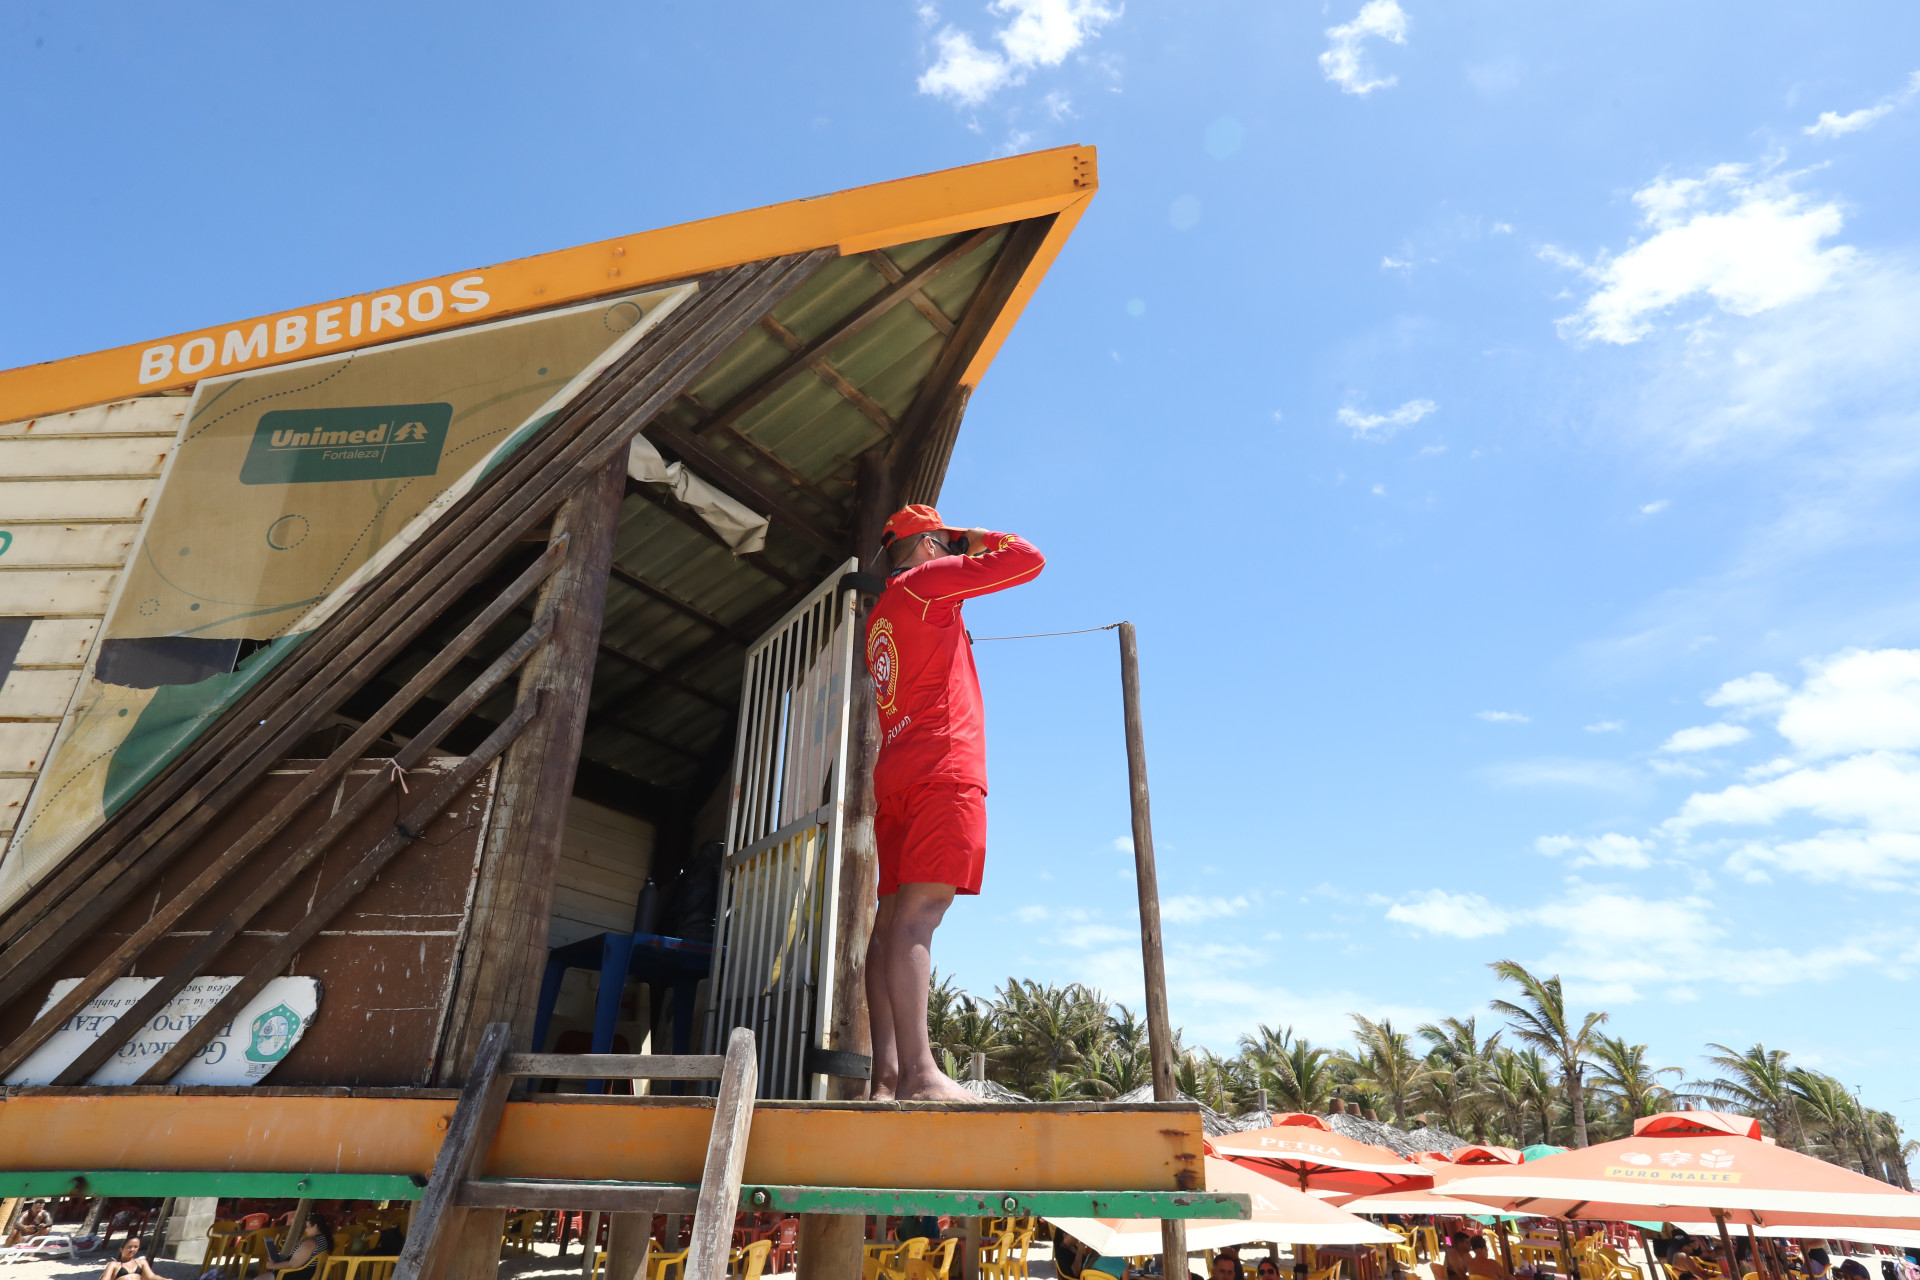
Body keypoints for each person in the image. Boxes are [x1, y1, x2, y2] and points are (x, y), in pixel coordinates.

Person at [862, 504, 1044, 1102]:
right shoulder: (925, 585)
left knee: (890, 922)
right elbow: (1026, 559)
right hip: (943, 767)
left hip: (897, 772)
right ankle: (920, 1074)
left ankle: (885, 1078)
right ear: (930, 545)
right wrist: (974, 536)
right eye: (945, 543)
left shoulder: (882, 613)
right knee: (920, 914)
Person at [259, 1216, 331, 1280]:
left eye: (307, 1227)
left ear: (315, 1226)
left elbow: (293, 1264)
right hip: (306, 1272)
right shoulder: (324, 1240)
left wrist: (272, 1266)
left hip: (295, 1274)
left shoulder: (311, 1243)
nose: (305, 1230)